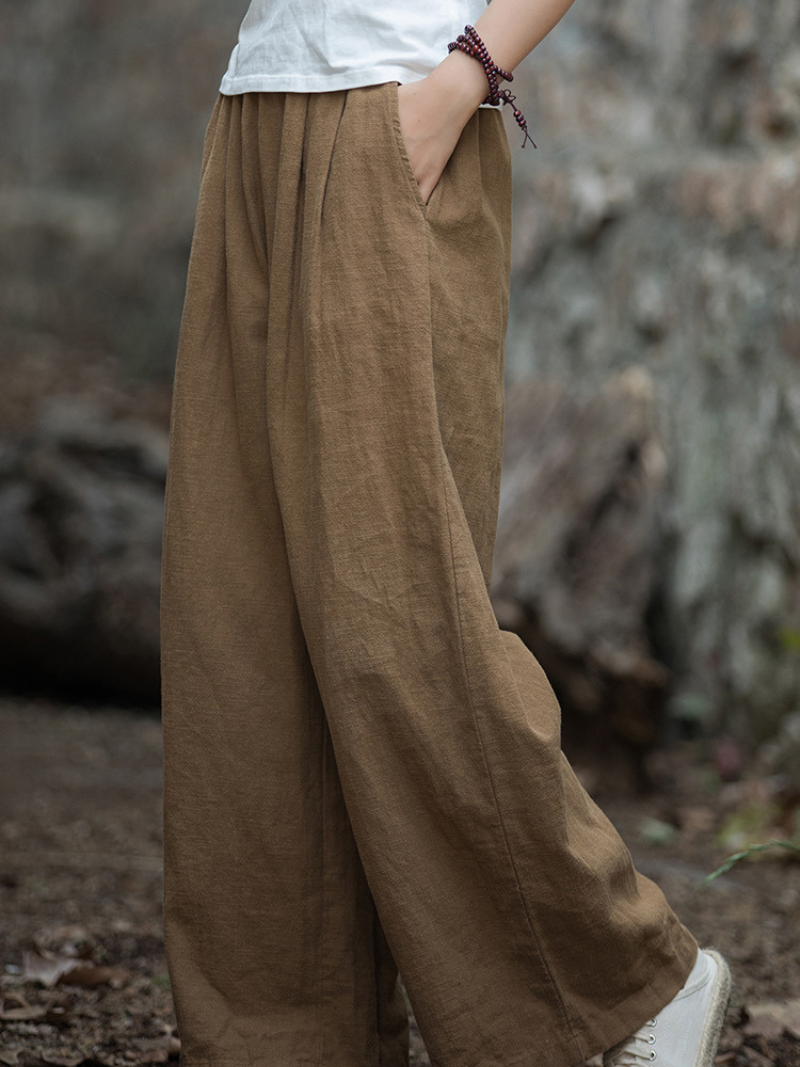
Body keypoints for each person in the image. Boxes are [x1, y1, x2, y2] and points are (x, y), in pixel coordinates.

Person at [159, 2, 732, 1065]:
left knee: (396, 616)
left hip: (396, 110)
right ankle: (280, 1035)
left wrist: (463, 77)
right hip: (257, 113)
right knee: (241, 623)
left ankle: (623, 983)